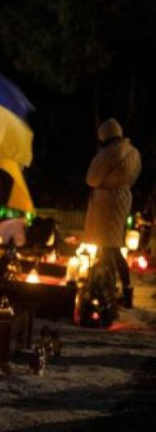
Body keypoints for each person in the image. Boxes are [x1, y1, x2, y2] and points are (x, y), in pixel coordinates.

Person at [83, 118, 141, 307]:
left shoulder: (108, 153)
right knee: (112, 245)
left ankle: (108, 287)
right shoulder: (133, 152)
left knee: (109, 246)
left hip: (106, 201)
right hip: (123, 197)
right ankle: (121, 288)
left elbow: (92, 179)